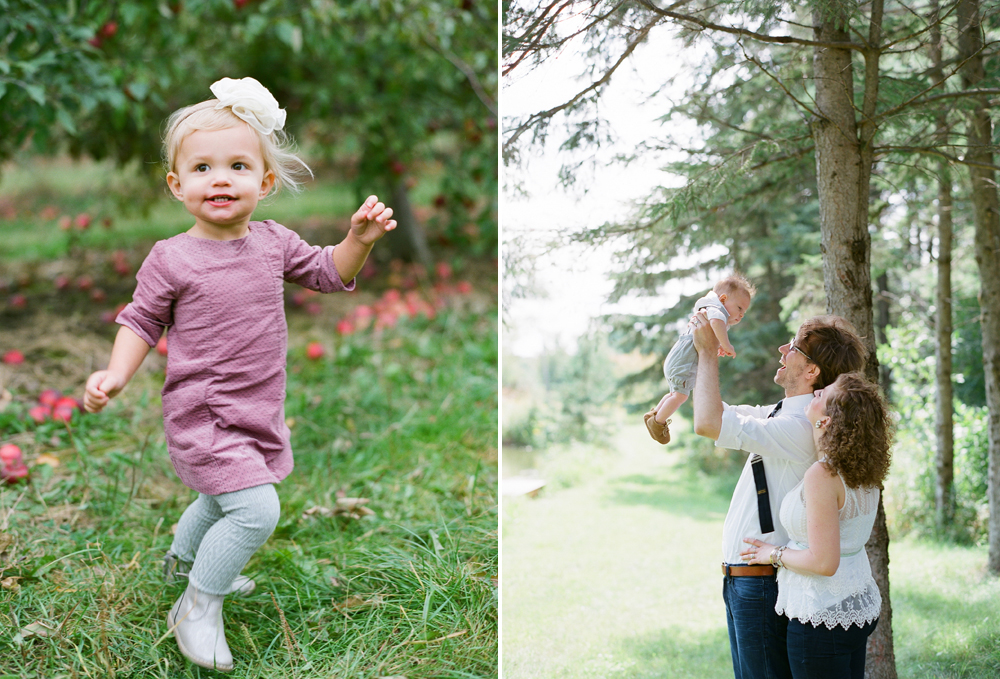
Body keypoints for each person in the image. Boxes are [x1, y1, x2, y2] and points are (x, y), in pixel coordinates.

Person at [82, 77, 396, 672]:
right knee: (256, 510)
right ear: (177, 185)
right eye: (201, 167)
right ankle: (198, 604)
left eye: (236, 165)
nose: (219, 178)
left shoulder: (273, 243)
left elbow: (330, 273)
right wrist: (116, 373)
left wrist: (358, 241)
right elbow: (141, 320)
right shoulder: (171, 257)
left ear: (265, 181)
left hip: (257, 406)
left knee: (217, 496)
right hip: (203, 412)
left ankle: (185, 560)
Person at [689, 314, 866, 679]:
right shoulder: (780, 414)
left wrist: (708, 354)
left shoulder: (799, 427)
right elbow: (711, 411)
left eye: (794, 347)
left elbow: (707, 424)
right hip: (746, 578)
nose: (782, 350)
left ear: (812, 370)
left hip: (763, 581)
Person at [740, 372, 891, 679]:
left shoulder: (823, 475)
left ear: (827, 422)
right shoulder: (862, 468)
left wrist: (773, 554)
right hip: (854, 606)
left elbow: (823, 562)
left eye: (823, 396)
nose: (817, 391)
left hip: (821, 617)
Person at [644, 274, 756, 444]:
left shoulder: (710, 308)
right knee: (680, 396)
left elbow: (707, 335)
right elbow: (717, 323)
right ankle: (658, 423)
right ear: (723, 299)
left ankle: (654, 415)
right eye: (739, 308)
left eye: (744, 312)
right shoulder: (717, 311)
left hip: (678, 359)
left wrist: (716, 346)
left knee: (675, 393)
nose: (741, 315)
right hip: (683, 361)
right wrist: (726, 345)